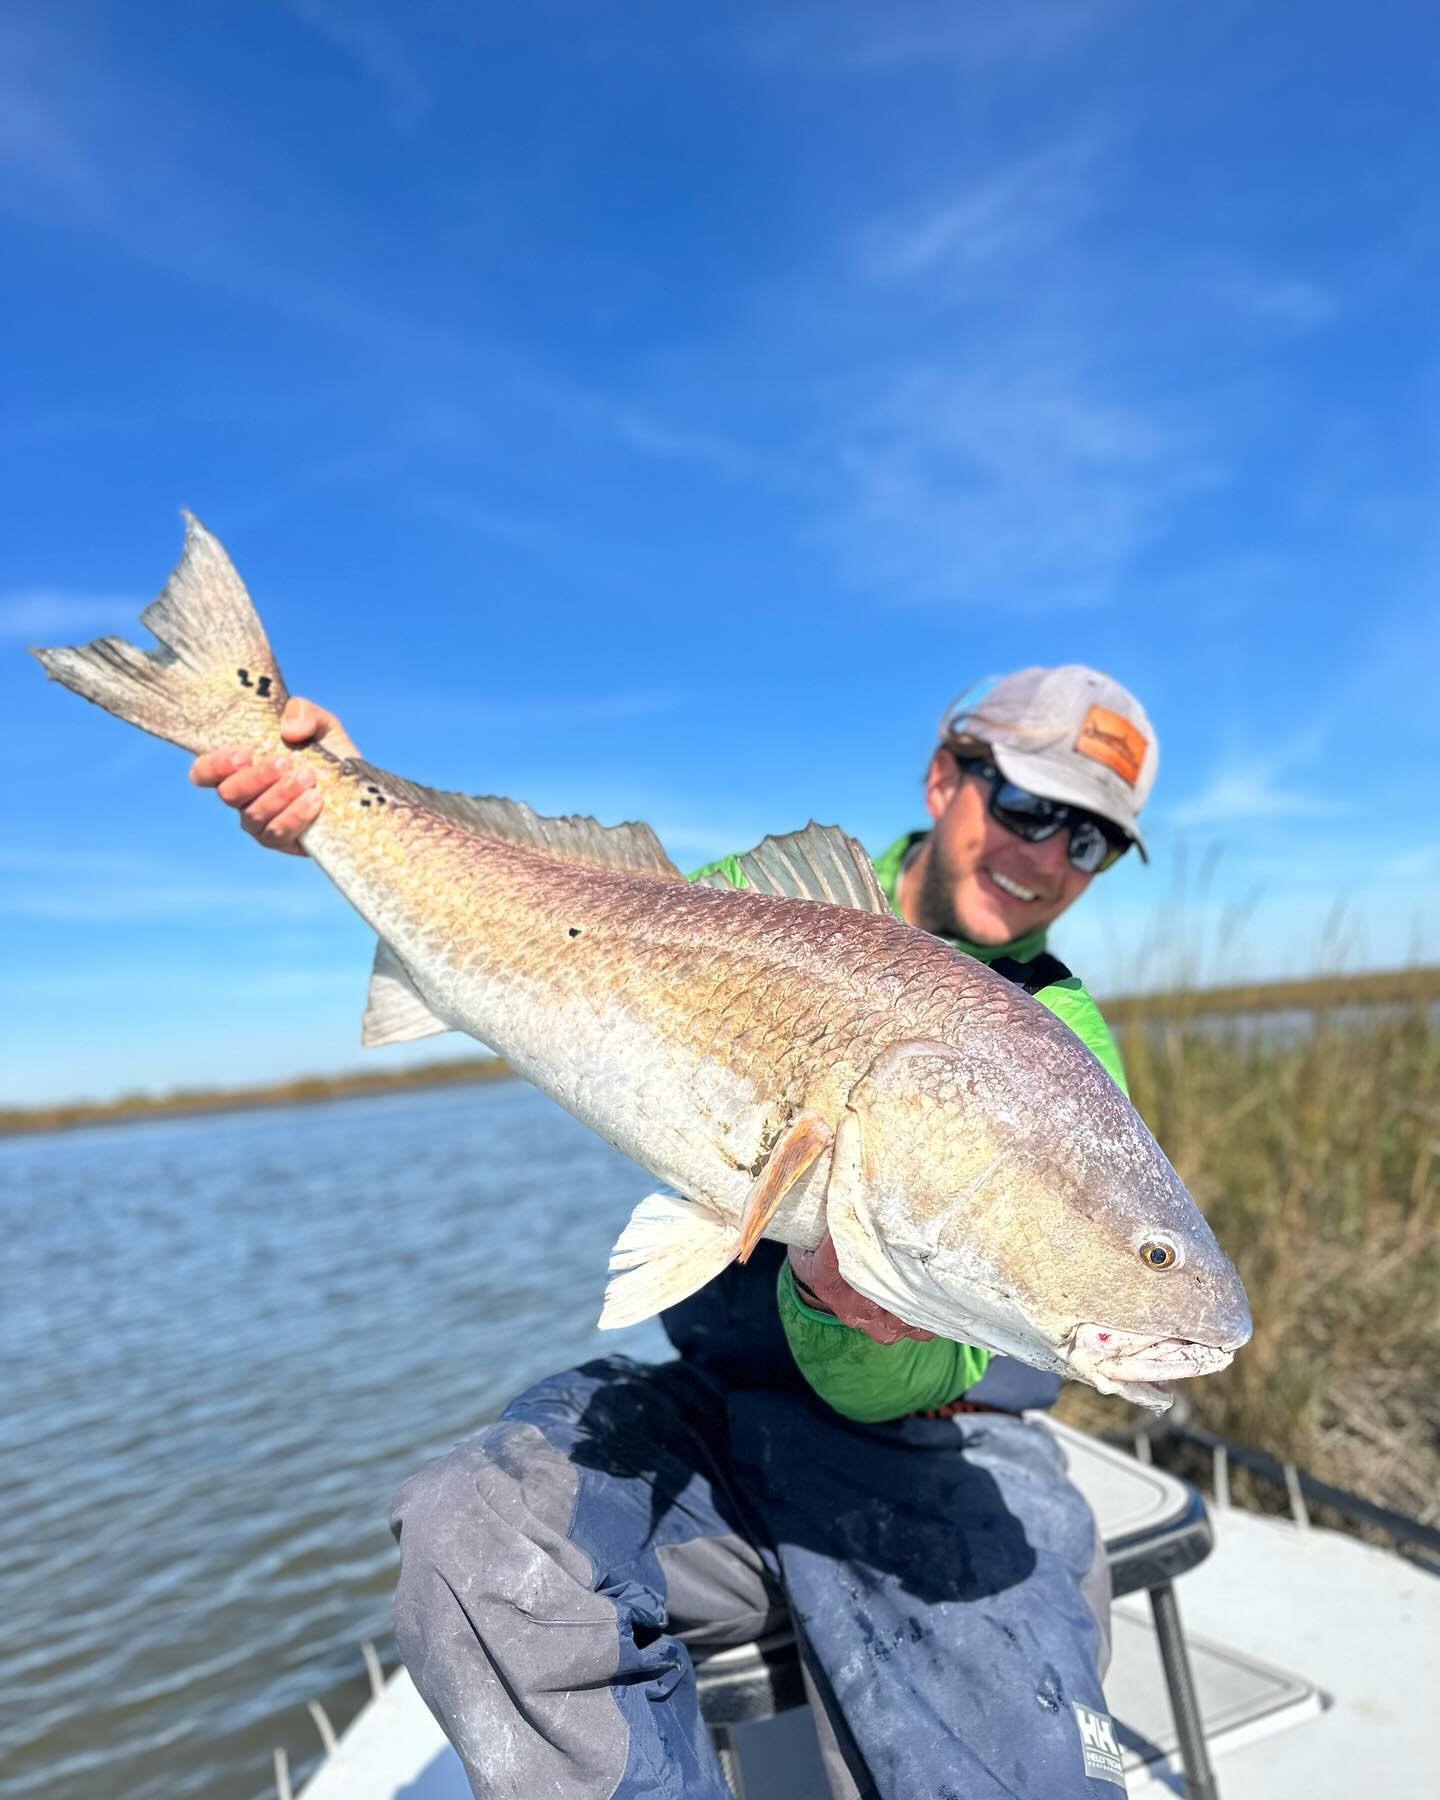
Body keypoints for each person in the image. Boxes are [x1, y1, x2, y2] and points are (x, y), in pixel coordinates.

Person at [191, 664, 1158, 1799]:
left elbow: (929, 1365)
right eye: (1029, 808)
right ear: (948, 776)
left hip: (941, 1446)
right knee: (481, 1534)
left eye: (1088, 841)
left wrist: (872, 1325)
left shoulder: (1058, 1039)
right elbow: (561, 898)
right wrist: (343, 796)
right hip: (724, 1421)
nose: (1047, 858)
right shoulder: (753, 902)